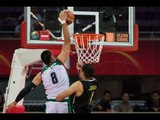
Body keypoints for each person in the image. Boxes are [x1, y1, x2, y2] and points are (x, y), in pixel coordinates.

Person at [6, 9, 72, 113]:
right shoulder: (59, 62)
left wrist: (15, 102)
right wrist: (63, 22)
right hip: (63, 102)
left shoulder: (41, 74)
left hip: (50, 105)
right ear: (52, 57)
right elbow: (67, 42)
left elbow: (27, 89)